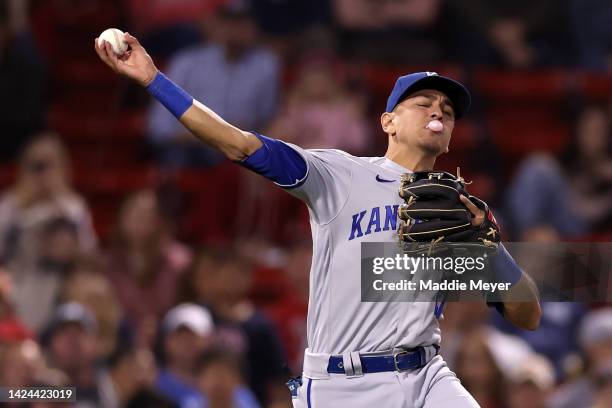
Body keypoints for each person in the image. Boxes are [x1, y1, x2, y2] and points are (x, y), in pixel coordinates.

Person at [95, 32, 542, 407]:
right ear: (388, 121)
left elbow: (528, 314)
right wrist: (155, 81)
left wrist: (489, 247)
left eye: (447, 109)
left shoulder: (458, 210)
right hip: (341, 383)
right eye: (423, 102)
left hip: (427, 375)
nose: (438, 111)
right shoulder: (340, 175)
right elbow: (240, 145)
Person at [146, 2, 280, 167]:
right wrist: (208, 133)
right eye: (228, 22)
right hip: (188, 149)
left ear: (254, 28)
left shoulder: (266, 65)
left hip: (241, 151)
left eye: (242, 23)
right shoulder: (186, 62)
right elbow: (159, 128)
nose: (235, 30)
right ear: (214, 25)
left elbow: (268, 120)